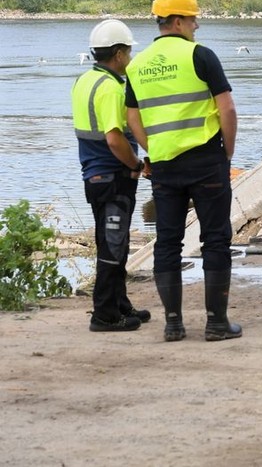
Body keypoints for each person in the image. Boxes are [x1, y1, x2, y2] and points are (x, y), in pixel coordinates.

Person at [125, 0, 241, 343]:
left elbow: (133, 118)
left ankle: (173, 324)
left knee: (167, 242)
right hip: (207, 161)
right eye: (192, 20)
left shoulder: (138, 65)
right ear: (177, 21)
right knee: (216, 240)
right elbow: (228, 109)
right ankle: (216, 323)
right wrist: (227, 153)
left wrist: (155, 148)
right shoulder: (200, 57)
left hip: (164, 167)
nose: (196, 27)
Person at [72, 19, 150, 332]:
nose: (130, 58)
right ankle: (104, 314)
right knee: (113, 244)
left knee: (112, 240)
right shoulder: (111, 89)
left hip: (94, 175)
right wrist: (136, 164)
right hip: (111, 175)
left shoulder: (85, 80)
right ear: (118, 54)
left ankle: (120, 303)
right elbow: (115, 138)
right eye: (129, 52)